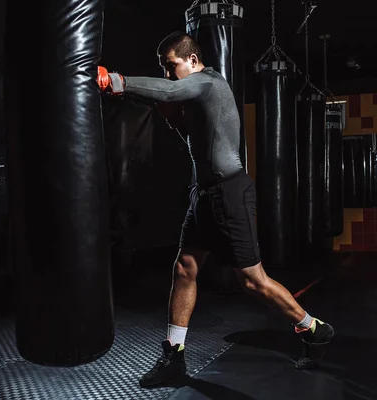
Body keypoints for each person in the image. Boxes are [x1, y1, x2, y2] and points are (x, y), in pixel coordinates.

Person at [97, 31, 334, 388]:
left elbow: (171, 91)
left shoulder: (209, 83)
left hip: (230, 192)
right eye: (164, 68)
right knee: (185, 268)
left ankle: (313, 329)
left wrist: (115, 81)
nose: (167, 75)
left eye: (171, 65)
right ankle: (174, 356)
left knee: (252, 282)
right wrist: (176, 122)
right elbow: (191, 133)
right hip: (204, 194)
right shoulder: (194, 99)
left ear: (192, 60)